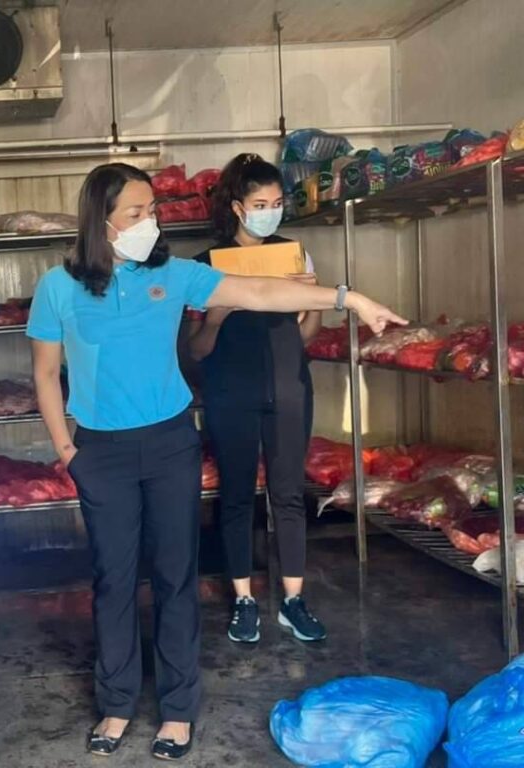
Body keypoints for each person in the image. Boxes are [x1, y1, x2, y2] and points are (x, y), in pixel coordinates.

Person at [27, 162, 403, 761]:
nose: (149, 221)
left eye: (152, 210)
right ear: (101, 220)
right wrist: (67, 451)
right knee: (113, 580)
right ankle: (117, 703)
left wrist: (345, 297)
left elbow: (258, 292)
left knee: (176, 576)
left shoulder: (174, 275)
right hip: (101, 451)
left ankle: (177, 710)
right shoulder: (57, 287)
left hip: (171, 442)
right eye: (136, 213)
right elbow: (46, 373)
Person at [188, 152, 324, 645]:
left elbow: (305, 334)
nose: (271, 212)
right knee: (238, 495)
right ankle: (244, 599)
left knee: (288, 494)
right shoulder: (206, 267)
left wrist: (310, 299)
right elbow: (196, 351)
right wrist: (217, 317)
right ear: (238, 208)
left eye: (278, 203)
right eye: (261, 204)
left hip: (289, 388)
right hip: (231, 393)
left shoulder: (295, 255)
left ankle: (293, 600)